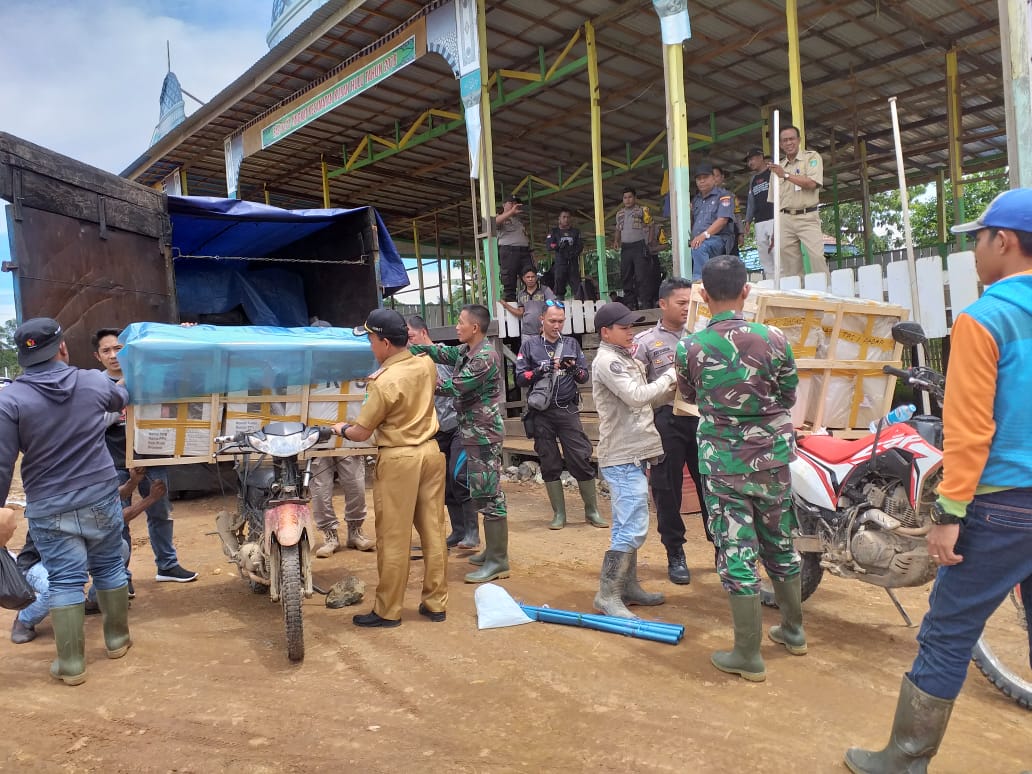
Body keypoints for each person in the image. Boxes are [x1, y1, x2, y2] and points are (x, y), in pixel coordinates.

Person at [845, 189, 1032, 773]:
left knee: (948, 632)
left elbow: (971, 429)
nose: (976, 249)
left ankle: (904, 759)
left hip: (1003, 506)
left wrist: (948, 515)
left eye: (978, 238)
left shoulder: (987, 317)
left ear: (1002, 241)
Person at [675, 256, 803, 682]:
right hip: (772, 458)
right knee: (780, 541)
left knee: (737, 550)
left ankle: (748, 655)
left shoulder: (690, 346)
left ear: (704, 296)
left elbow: (689, 394)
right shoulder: (776, 338)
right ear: (746, 291)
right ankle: (794, 631)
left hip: (724, 463)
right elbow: (788, 393)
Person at [0, 318, 132, 684]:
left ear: (23, 358)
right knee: (108, 566)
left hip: (49, 503)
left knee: (65, 581)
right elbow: (121, 397)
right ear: (61, 348)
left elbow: (1, 460)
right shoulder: (91, 381)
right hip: (100, 494)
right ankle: (117, 640)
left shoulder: (10, 399)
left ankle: (72, 665)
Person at [332, 309, 447, 628]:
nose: (369, 345)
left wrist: (340, 428)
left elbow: (361, 432)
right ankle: (436, 603)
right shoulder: (425, 363)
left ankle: (388, 610)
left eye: (371, 339)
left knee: (394, 536)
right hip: (431, 452)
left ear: (384, 342)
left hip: (399, 459)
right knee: (433, 531)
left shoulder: (383, 382)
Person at [410, 304, 509, 583]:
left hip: (483, 434)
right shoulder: (467, 351)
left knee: (489, 494)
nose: (457, 326)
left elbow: (455, 385)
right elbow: (445, 352)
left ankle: (499, 560)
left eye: (460, 322)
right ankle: (491, 551)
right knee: (480, 490)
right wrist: (418, 349)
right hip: (472, 432)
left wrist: (417, 380)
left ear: (474, 328)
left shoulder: (485, 357)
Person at [591, 302, 675, 619]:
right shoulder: (608, 362)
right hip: (622, 455)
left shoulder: (624, 358)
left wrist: (671, 388)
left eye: (631, 326)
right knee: (630, 525)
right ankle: (608, 594)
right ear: (606, 332)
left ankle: (627, 586)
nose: (631, 332)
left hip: (635, 451)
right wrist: (670, 376)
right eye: (624, 327)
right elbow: (638, 396)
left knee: (633, 519)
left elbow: (645, 399)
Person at [93, 328, 197, 584]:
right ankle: (121, 576)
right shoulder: (96, 385)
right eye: (106, 350)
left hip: (152, 457)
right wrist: (121, 390)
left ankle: (167, 565)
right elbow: (96, 423)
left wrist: (180, 334)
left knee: (161, 512)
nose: (113, 355)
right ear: (98, 357)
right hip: (116, 463)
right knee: (119, 521)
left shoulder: (148, 377)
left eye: (118, 348)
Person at [11, 471, 164, 644]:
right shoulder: (55, 495)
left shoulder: (77, 488)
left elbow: (108, 499)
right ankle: (24, 620)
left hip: (71, 556)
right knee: (55, 588)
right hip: (36, 565)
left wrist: (133, 481)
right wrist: (149, 499)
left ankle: (94, 600)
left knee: (120, 549)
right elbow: (117, 517)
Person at [633, 277, 712, 585]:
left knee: (711, 484)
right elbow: (637, 389)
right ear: (663, 304)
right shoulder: (645, 342)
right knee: (667, 489)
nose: (686, 309)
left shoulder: (704, 335)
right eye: (681, 303)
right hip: (667, 420)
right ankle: (675, 552)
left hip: (703, 420)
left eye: (690, 303)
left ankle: (721, 546)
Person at [515, 301, 606, 530]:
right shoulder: (530, 346)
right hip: (541, 413)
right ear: (542, 320)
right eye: (552, 320)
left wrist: (573, 368)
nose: (557, 325)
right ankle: (559, 514)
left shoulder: (572, 344)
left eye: (560, 321)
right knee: (549, 460)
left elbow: (584, 377)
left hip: (567, 410)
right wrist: (542, 369)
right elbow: (519, 378)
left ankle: (591, 511)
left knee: (580, 456)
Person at [406, 315, 476, 549]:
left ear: (424, 332)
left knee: (460, 477)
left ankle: (472, 533)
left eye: (411, 337)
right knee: (443, 483)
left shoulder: (446, 355)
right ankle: (458, 531)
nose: (409, 342)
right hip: (434, 430)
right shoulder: (409, 361)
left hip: (458, 425)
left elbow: (461, 385)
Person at [306, 320, 373, 557]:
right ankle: (329, 535)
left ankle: (355, 531)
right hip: (316, 437)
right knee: (321, 489)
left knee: (355, 484)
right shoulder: (305, 368)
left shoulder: (350, 364)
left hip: (348, 435)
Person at [767, 126, 829, 277]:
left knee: (816, 257)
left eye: (791, 139)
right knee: (789, 264)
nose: (788, 143)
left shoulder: (811, 157)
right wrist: (776, 230)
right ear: (780, 145)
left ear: (799, 140)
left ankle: (825, 294)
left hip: (807, 215)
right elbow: (776, 202)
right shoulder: (777, 168)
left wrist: (786, 175)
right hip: (785, 218)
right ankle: (797, 296)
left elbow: (812, 183)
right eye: (784, 140)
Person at [689, 162, 735, 280]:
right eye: (699, 179)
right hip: (700, 241)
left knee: (698, 246)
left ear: (713, 178)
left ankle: (701, 282)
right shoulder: (696, 200)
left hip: (718, 239)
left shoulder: (723, 196)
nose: (702, 181)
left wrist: (703, 236)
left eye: (705, 177)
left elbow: (723, 220)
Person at [613, 188, 656, 310]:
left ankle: (645, 303)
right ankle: (630, 303)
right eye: (625, 197)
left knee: (641, 276)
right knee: (626, 276)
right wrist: (616, 241)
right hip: (626, 248)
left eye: (630, 197)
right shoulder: (619, 214)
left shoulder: (642, 210)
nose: (627, 200)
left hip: (639, 246)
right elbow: (618, 229)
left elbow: (651, 225)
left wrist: (650, 240)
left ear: (635, 198)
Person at [742, 148, 775, 277]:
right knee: (764, 253)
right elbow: (751, 201)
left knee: (776, 251)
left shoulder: (772, 172)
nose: (750, 162)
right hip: (759, 220)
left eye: (752, 159)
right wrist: (748, 220)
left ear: (761, 157)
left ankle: (783, 283)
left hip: (774, 218)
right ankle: (771, 283)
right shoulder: (753, 179)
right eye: (748, 161)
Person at [500, 268, 556, 343]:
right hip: (527, 333)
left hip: (543, 331)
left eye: (532, 277)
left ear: (536, 277)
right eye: (528, 277)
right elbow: (520, 313)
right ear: (523, 278)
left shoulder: (544, 290)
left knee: (544, 353)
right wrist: (506, 305)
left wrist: (546, 325)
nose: (530, 279)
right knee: (527, 354)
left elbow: (553, 307)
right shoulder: (521, 294)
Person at [496, 194, 533, 303]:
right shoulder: (501, 216)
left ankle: (530, 304)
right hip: (509, 251)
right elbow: (494, 223)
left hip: (524, 251)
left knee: (530, 276)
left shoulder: (518, 221)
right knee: (509, 282)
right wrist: (511, 212)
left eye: (515, 203)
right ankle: (511, 308)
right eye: (511, 203)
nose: (514, 205)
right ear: (504, 205)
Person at [546, 208, 584, 299]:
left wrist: (573, 251)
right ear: (559, 219)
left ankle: (580, 307)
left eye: (568, 217)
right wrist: (558, 246)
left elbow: (580, 245)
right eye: (564, 217)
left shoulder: (575, 232)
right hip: (560, 264)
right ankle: (559, 309)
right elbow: (549, 245)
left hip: (573, 263)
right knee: (559, 288)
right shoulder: (554, 231)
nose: (566, 219)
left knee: (577, 287)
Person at [712, 166, 744, 257]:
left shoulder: (731, 196)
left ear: (722, 177)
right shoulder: (703, 198)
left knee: (731, 259)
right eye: (712, 176)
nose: (714, 179)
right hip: (712, 232)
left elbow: (737, 215)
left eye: (717, 176)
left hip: (730, 231)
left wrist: (741, 233)